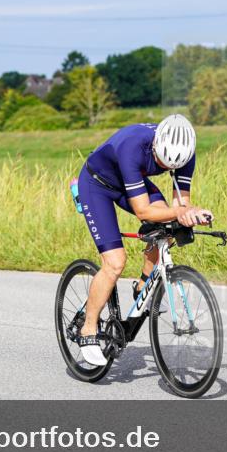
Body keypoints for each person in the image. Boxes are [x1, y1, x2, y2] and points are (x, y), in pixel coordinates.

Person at [74, 114, 212, 366]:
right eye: (161, 161)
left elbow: (181, 204)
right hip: (97, 185)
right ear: (156, 145)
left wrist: (191, 214)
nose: (164, 166)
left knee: (168, 230)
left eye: (169, 166)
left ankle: (142, 285)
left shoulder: (186, 154)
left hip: (129, 181)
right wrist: (181, 212)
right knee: (115, 263)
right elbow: (144, 212)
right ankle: (88, 327)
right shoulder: (132, 146)